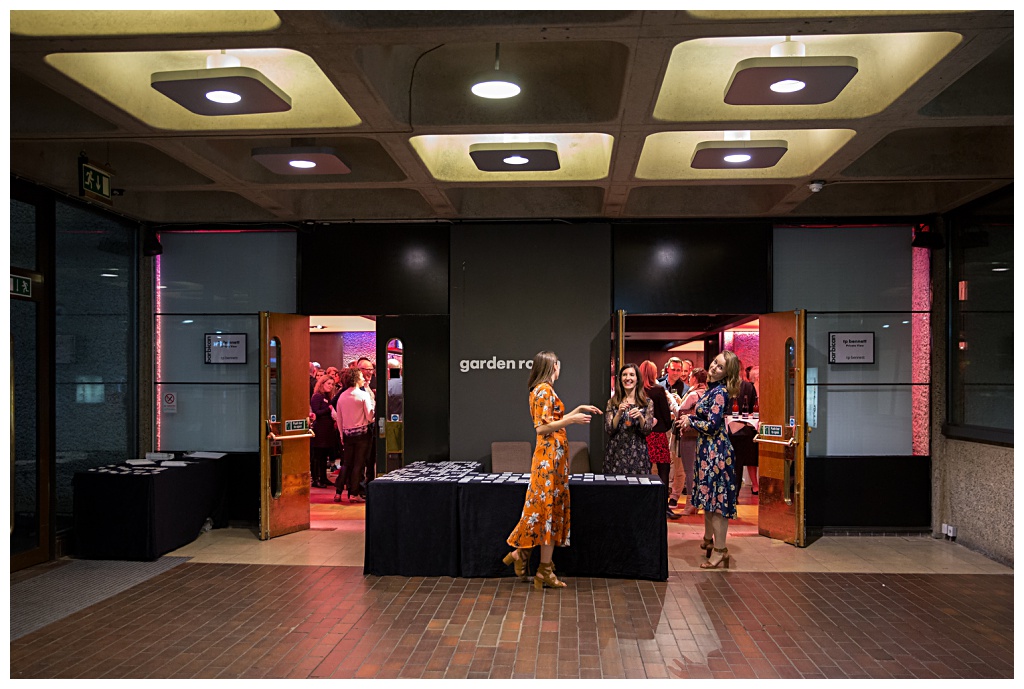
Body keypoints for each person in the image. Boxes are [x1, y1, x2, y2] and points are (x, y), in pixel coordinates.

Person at [503, 351, 602, 590]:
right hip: (548, 459)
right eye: (558, 364)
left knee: (546, 510)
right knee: (546, 511)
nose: (560, 367)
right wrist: (572, 421)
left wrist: (576, 410)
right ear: (552, 366)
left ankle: (524, 556)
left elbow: (552, 418)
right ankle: (539, 567)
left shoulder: (542, 390)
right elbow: (542, 428)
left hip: (552, 460)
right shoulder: (544, 390)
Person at [677, 350, 741, 569]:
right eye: (715, 363)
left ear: (727, 373)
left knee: (717, 503)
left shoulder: (720, 392)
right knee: (709, 500)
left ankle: (721, 550)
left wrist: (690, 422)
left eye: (720, 367)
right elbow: (707, 418)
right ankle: (710, 541)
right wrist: (691, 418)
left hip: (717, 453)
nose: (714, 367)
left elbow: (713, 426)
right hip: (708, 451)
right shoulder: (712, 390)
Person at [639, 360, 680, 519]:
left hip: (642, 435)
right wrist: (666, 425)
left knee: (645, 470)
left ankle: (646, 505)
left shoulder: (637, 391)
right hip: (657, 435)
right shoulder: (658, 390)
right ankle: (663, 506)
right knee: (664, 469)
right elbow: (664, 414)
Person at [603, 363, 654, 475]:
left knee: (637, 490)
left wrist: (640, 417)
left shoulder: (647, 403)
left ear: (637, 379)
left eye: (631, 375)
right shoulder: (612, 402)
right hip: (616, 453)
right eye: (624, 375)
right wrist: (619, 413)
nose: (628, 378)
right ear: (620, 379)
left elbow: (647, 431)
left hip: (638, 454)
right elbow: (609, 430)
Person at [334, 367, 375, 503]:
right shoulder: (363, 395)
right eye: (361, 376)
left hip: (347, 434)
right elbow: (369, 417)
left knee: (346, 463)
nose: (363, 378)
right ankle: (353, 493)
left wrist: (341, 434)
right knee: (359, 464)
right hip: (362, 434)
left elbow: (339, 418)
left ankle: (338, 492)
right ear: (356, 379)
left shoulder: (342, 396)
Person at [673, 367, 708, 515]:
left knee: (689, 470)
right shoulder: (708, 394)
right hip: (704, 435)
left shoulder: (693, 394)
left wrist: (672, 401)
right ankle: (701, 502)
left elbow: (680, 411)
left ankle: (690, 504)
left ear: (694, 378)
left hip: (690, 435)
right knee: (701, 470)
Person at [660, 357, 690, 507]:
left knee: (679, 464)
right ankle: (660, 492)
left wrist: (678, 403)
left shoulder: (686, 389)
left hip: (677, 429)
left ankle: (675, 496)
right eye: (674, 369)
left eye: (679, 370)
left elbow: (688, 411)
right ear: (668, 369)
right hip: (661, 428)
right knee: (660, 462)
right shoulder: (659, 385)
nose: (677, 372)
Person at [308, 374, 336, 488]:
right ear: (322, 383)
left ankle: (323, 477)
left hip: (327, 431)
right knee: (317, 456)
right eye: (328, 383)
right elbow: (316, 412)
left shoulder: (327, 396)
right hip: (319, 430)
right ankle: (316, 479)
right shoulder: (317, 396)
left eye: (332, 384)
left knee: (324, 456)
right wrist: (328, 409)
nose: (330, 386)